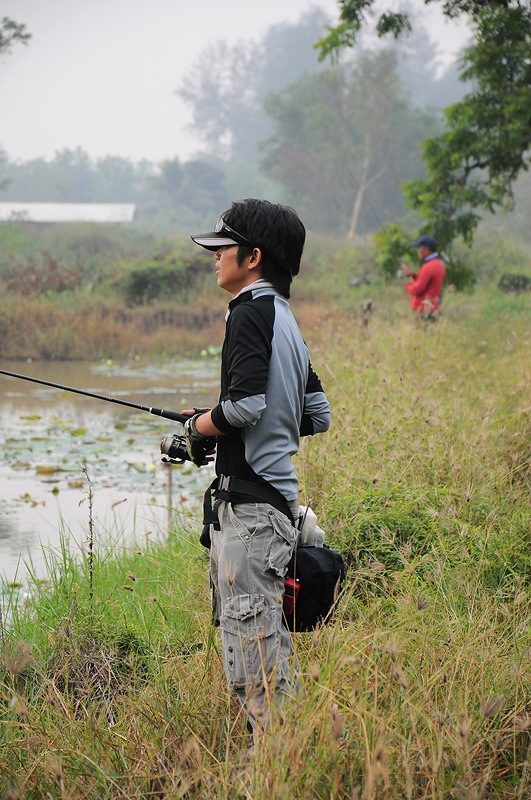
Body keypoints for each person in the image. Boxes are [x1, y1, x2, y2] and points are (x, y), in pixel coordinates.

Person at [183, 199, 331, 738]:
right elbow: (316, 414)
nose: (215, 257)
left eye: (222, 247)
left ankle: (277, 773)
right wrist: (217, 421)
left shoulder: (248, 312)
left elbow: (243, 407)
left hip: (249, 515)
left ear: (253, 257)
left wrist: (198, 426)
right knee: (265, 658)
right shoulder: (286, 320)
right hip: (277, 508)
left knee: (257, 673)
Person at [401, 235, 446, 320]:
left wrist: (407, 286)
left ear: (426, 249)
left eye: (419, 248)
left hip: (423, 311)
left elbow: (418, 289)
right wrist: (413, 276)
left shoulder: (428, 267)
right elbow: (429, 284)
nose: (418, 251)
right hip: (433, 308)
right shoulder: (438, 264)